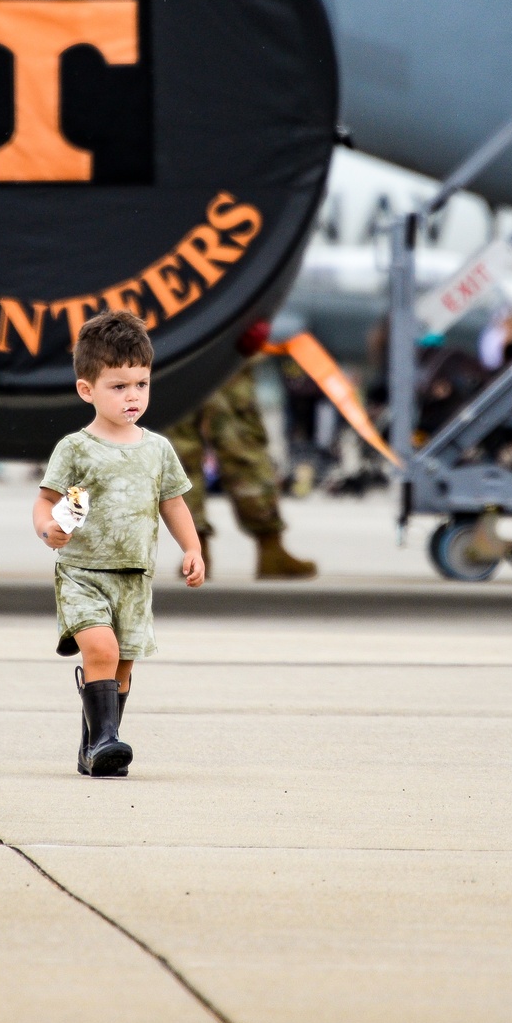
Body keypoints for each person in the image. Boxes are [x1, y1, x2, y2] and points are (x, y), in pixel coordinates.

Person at [33, 309, 203, 778]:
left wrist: (192, 548)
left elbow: (173, 504)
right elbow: (45, 502)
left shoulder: (157, 449)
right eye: (118, 386)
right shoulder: (76, 448)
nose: (133, 396)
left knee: (123, 668)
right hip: (83, 573)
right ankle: (105, 739)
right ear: (87, 390)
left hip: (134, 576)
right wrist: (49, 529)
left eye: (141, 384)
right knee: (102, 652)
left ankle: (96, 747)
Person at [166, 360, 317, 580]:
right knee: (240, 442)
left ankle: (196, 553)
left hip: (170, 350)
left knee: (181, 452)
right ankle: (269, 547)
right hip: (221, 351)